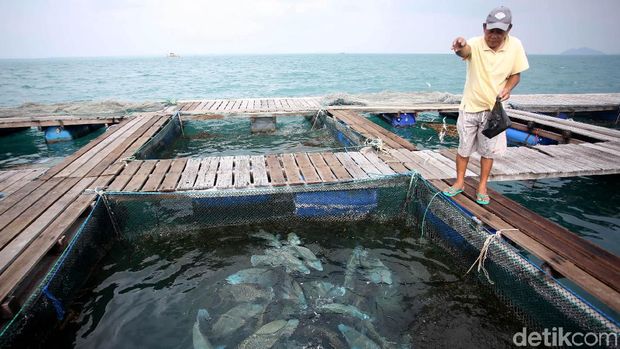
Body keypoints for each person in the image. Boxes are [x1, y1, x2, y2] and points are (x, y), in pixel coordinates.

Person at [443, 5, 529, 205]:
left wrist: (508, 88)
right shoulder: (475, 44)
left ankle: (482, 186)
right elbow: (463, 52)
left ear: (508, 30)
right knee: (463, 148)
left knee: (488, 151)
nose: (495, 35)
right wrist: (459, 44)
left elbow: (516, 75)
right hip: (470, 107)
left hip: (494, 111)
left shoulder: (515, 46)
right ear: (484, 27)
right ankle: (459, 182)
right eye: (491, 30)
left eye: (500, 31)